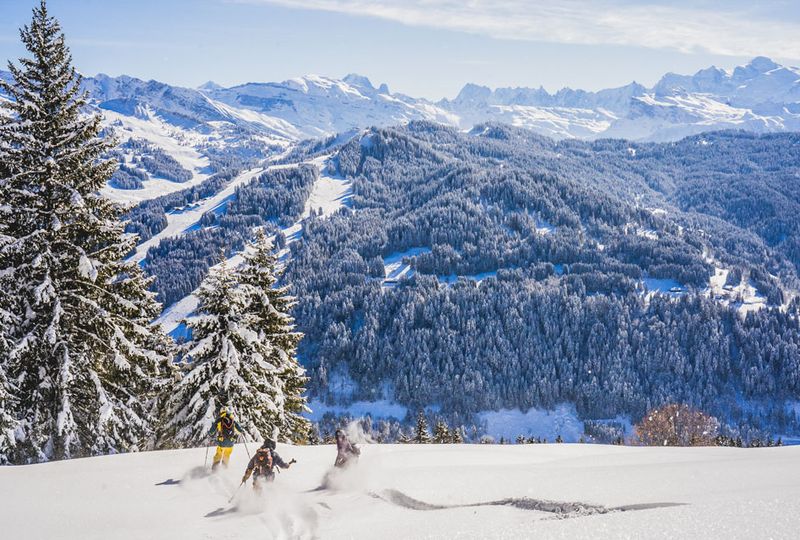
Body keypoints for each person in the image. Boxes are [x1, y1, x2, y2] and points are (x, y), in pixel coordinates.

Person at [208, 406, 243, 470]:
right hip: (231, 443)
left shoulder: (219, 420)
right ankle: (224, 470)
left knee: (218, 455)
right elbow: (240, 430)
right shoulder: (232, 420)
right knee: (226, 455)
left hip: (222, 442)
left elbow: (211, 432)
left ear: (221, 412)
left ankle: (215, 470)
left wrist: (209, 433)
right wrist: (240, 431)